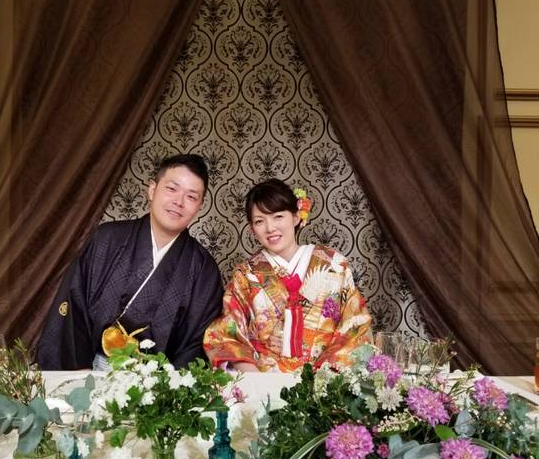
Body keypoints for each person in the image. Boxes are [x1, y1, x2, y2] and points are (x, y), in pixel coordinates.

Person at [37, 154, 223, 370]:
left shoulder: (203, 269)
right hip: (92, 369)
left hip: (161, 381)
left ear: (199, 206)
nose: (178, 202)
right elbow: (74, 306)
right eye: (172, 189)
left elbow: (195, 344)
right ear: (152, 190)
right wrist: (81, 373)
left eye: (191, 197)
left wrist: (168, 386)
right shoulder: (106, 240)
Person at [203, 179, 372, 372]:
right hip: (265, 380)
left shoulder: (334, 265)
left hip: (324, 380)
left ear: (296, 216)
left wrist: (323, 380)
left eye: (278, 216)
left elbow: (356, 327)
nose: (270, 228)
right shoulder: (246, 275)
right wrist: (255, 381)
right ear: (252, 229)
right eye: (259, 221)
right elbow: (225, 336)